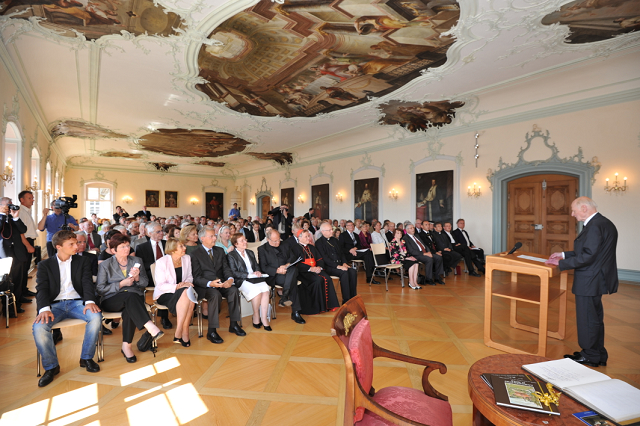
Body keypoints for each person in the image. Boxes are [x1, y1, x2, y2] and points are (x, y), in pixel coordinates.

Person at [547, 197, 618, 367]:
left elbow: (588, 256)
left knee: (587, 319)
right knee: (594, 318)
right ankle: (598, 353)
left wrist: (561, 264)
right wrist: (564, 255)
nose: (572, 214)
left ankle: (590, 356)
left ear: (584, 208)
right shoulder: (604, 223)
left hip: (589, 280)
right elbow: (591, 251)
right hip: (597, 279)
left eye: (574, 210)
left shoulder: (594, 226)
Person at [33, 230, 102, 387]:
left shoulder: (82, 261)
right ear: (59, 246)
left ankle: (86, 358)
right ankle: (51, 367)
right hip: (54, 305)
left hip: (77, 303)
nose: (77, 246)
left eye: (76, 243)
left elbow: (87, 282)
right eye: (71, 244)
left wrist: (89, 301)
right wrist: (44, 309)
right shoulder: (44, 265)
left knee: (96, 317)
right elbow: (41, 289)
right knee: (39, 327)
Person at [97, 233, 163, 363]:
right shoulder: (105, 265)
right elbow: (100, 289)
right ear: (113, 250)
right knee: (130, 297)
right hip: (112, 299)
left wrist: (137, 278)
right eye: (122, 247)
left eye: (127, 245)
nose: (127, 249)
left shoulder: (136, 261)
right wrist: (121, 284)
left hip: (133, 299)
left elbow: (144, 283)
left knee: (129, 308)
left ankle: (126, 346)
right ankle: (150, 326)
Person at [191, 226, 245, 344]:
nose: (214, 238)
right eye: (211, 236)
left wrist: (230, 279)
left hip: (221, 283)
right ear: (202, 238)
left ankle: (234, 324)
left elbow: (226, 269)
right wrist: (210, 283)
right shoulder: (195, 254)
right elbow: (196, 277)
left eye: (214, 236)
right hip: (205, 286)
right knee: (215, 295)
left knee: (233, 291)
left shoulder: (219, 251)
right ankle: (212, 331)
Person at [153, 238, 195, 347]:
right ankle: (183, 331)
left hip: (183, 291)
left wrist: (186, 283)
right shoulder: (162, 262)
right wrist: (177, 286)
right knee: (188, 297)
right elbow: (160, 285)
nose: (185, 248)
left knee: (187, 295)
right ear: (172, 250)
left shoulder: (187, 258)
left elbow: (189, 276)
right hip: (165, 293)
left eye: (184, 245)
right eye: (181, 246)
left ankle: (180, 332)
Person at [258, 229, 305, 323]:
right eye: (275, 241)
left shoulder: (285, 244)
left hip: (288, 271)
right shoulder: (262, 249)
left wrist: (286, 265)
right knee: (292, 281)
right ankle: (295, 312)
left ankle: (284, 296)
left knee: (293, 270)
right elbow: (263, 267)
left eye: (279, 239)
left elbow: (292, 257)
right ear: (268, 239)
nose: (278, 242)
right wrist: (277, 270)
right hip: (275, 276)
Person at [227, 233, 272, 330]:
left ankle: (264, 318)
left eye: (245, 239)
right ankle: (256, 315)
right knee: (257, 292)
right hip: (242, 280)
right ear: (236, 244)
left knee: (265, 290)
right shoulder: (231, 255)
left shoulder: (250, 252)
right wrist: (247, 275)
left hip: (254, 278)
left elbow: (256, 266)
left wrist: (258, 271)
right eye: (242, 241)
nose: (245, 242)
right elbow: (233, 272)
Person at [290, 230, 339, 315]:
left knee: (328, 278)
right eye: (306, 236)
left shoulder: (312, 247)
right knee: (318, 280)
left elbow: (320, 259)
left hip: (315, 269)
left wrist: (319, 267)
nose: (308, 238)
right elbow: (296, 264)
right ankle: (318, 308)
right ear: (299, 238)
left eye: (308, 236)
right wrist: (310, 268)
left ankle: (329, 306)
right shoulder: (295, 248)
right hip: (303, 272)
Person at [134, 222, 172, 329]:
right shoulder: (142, 247)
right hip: (150, 276)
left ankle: (164, 316)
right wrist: (156, 266)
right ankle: (156, 317)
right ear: (150, 233)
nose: (161, 233)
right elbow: (142, 266)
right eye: (158, 231)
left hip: (168, 275)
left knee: (166, 282)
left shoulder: (167, 244)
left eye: (162, 231)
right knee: (162, 283)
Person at [315, 223, 358, 304]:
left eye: (332, 229)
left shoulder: (335, 240)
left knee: (352, 271)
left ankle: (353, 297)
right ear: (323, 232)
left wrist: (344, 263)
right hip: (328, 267)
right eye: (330, 230)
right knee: (344, 273)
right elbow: (325, 258)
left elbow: (341, 253)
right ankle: (346, 300)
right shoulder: (319, 243)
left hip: (340, 264)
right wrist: (338, 266)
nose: (332, 231)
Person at [18, 191, 38, 299]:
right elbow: (20, 232)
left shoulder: (27, 211)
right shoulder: (21, 212)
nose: (32, 200)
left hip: (29, 241)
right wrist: (28, 245)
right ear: (22, 200)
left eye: (32, 198)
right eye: (29, 198)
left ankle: (24, 290)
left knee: (26, 268)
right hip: (25, 242)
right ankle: (20, 294)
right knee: (22, 269)